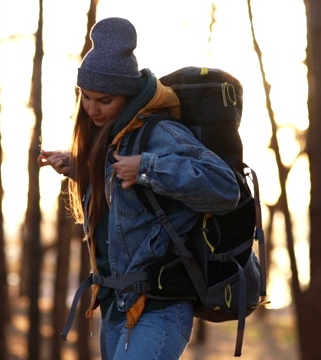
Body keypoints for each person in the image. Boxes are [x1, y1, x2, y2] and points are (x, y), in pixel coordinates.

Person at [39, 17, 240, 360]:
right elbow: (126, 198)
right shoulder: (116, 136)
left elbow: (225, 188)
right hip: (117, 308)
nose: (91, 108)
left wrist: (149, 167)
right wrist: (77, 166)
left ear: (129, 94)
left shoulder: (159, 132)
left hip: (158, 310)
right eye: (85, 97)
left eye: (104, 100)